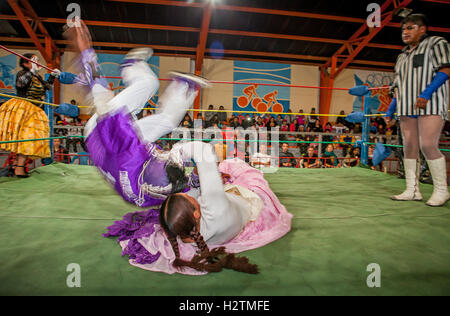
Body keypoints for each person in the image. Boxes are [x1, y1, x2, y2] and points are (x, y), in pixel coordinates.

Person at [68, 20, 210, 208]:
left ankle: (130, 66)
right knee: (167, 121)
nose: (162, 153)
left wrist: (86, 50)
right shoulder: (156, 190)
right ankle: (185, 86)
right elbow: (183, 188)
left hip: (100, 131)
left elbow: (100, 96)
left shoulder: (127, 148)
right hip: (121, 151)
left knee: (149, 84)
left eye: (161, 158)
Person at [387, 13, 449, 206]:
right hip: (406, 106)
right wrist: (390, 111)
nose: (405, 32)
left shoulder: (436, 43)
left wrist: (427, 93)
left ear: (422, 29)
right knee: (409, 147)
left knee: (428, 144)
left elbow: (446, 69)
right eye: (403, 29)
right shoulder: (402, 56)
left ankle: (442, 190)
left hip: (431, 103)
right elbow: (398, 86)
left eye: (410, 28)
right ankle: (412, 190)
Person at [0, 53, 60, 177]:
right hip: (22, 109)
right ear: (25, 63)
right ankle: (19, 168)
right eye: (33, 60)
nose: (37, 62)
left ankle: (17, 165)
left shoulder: (37, 76)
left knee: (27, 139)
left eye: (37, 60)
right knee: (25, 139)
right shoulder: (22, 74)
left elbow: (46, 88)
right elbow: (21, 84)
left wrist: (52, 76)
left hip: (34, 109)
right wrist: (31, 71)